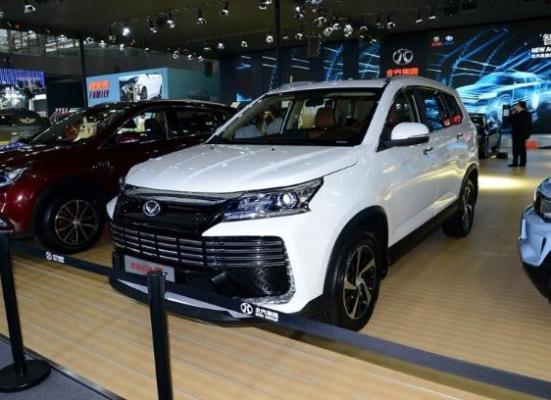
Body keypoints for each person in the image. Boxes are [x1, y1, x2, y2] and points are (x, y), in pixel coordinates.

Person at [509, 101, 532, 167]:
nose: (516, 106)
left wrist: (512, 114)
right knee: (523, 149)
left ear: (520, 106)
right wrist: (528, 134)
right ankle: (523, 163)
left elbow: (511, 122)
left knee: (516, 149)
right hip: (524, 135)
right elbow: (530, 125)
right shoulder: (528, 114)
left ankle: (515, 163)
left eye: (517, 105)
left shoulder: (517, 114)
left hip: (516, 135)